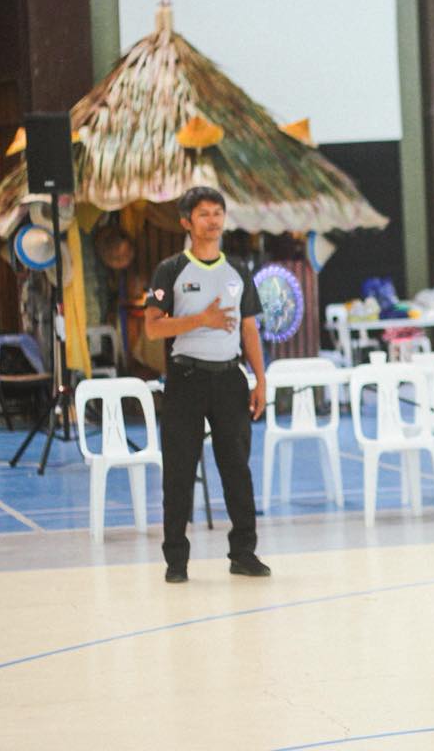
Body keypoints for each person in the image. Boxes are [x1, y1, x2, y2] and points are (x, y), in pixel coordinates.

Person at [144, 186, 270, 584]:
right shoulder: (171, 270)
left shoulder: (238, 271)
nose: (213, 220)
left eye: (218, 213)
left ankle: (244, 553)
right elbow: (152, 327)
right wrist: (201, 319)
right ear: (187, 222)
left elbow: (249, 329)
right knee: (178, 472)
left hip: (230, 378)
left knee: (237, 469)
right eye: (204, 214)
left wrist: (260, 380)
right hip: (186, 379)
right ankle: (176, 561)